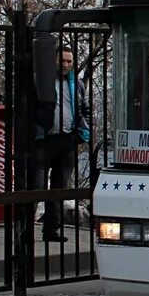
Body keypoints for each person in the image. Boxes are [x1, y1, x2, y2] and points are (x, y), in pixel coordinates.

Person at [32, 45, 90, 243]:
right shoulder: (42, 81)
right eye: (62, 60)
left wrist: (82, 132)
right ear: (54, 61)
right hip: (44, 140)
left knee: (60, 187)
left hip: (67, 139)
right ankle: (23, 230)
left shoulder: (76, 84)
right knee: (36, 187)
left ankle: (52, 229)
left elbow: (84, 108)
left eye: (69, 61)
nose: (66, 65)